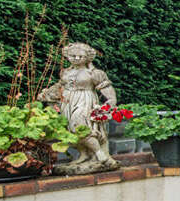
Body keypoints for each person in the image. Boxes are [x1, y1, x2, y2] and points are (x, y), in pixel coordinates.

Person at [38, 42, 120, 174]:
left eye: (80, 56)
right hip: (68, 102)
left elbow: (106, 87)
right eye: (73, 56)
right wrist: (48, 94)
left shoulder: (94, 73)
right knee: (70, 129)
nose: (76, 58)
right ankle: (84, 155)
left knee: (80, 126)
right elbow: (61, 86)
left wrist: (110, 103)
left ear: (87, 57)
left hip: (84, 100)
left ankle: (100, 154)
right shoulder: (66, 72)